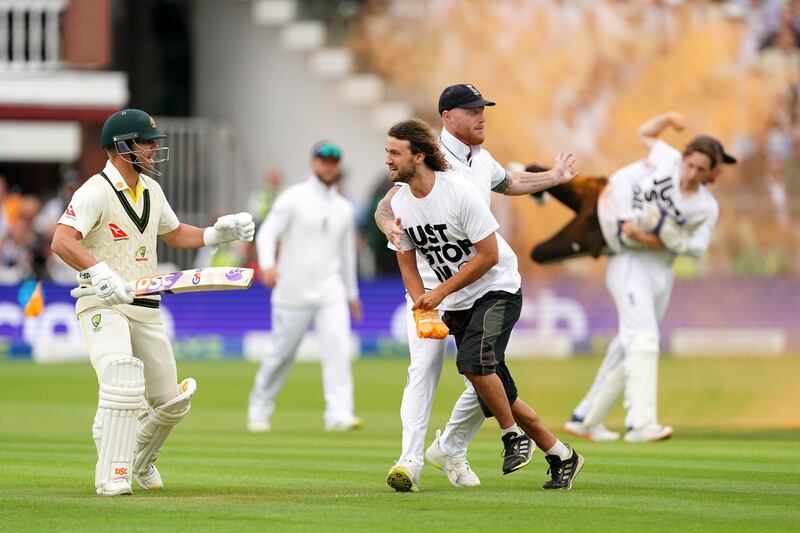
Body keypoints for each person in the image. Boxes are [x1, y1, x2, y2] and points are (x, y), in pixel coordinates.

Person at [374, 84, 577, 491]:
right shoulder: (428, 157)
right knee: (430, 370)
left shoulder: (479, 160)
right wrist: (389, 229)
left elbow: (509, 182)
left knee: (480, 372)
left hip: (481, 284)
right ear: (448, 117)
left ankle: (454, 447)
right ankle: (410, 461)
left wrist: (553, 178)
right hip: (430, 290)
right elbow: (387, 207)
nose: (482, 116)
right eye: (472, 110)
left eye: (482, 109)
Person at [50, 108, 256, 496]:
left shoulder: (151, 190)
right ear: (123, 147)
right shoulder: (95, 191)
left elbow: (174, 234)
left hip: (145, 305)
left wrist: (216, 234)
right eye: (146, 143)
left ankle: (139, 459)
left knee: (172, 403)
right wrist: (100, 273)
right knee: (121, 380)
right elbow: (62, 240)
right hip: (102, 302)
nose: (153, 150)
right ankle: (113, 475)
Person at [529, 111, 737, 442]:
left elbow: (697, 248)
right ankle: (641, 424)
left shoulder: (705, 206)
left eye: (701, 169)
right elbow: (645, 133)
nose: (692, 173)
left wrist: (663, 239)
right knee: (644, 339)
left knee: (629, 342)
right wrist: (668, 118)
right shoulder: (666, 160)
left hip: (661, 269)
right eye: (690, 165)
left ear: (712, 172)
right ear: (683, 159)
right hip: (628, 260)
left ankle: (587, 418)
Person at [247, 141, 362, 433]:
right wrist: (268, 264)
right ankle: (259, 407)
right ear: (313, 163)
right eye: (323, 161)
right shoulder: (292, 198)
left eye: (333, 162)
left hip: (330, 290)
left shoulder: (344, 208)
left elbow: (347, 253)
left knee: (338, 348)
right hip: (292, 290)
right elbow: (267, 233)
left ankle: (339, 412)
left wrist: (351, 294)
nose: (329, 166)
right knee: (281, 355)